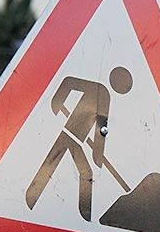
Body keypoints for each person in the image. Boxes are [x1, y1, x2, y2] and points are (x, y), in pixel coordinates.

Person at [25, 66, 133, 221]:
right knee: (52, 164)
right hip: (68, 133)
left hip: (77, 140)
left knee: (81, 171)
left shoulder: (105, 97)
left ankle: (85, 215)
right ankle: (31, 197)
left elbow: (100, 129)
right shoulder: (99, 90)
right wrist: (58, 102)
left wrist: (98, 155)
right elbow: (69, 82)